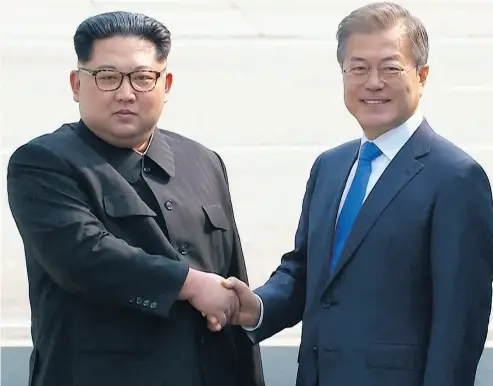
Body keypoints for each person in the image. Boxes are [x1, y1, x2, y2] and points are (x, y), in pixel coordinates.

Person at [210, 2, 493, 386]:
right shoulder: (330, 166)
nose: (373, 82)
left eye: (391, 68)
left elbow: (459, 323)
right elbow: (305, 271)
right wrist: (258, 306)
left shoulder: (456, 178)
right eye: (358, 68)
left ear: (422, 75)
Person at [6, 11, 264, 386]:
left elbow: (231, 280)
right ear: (77, 84)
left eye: (143, 78)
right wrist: (190, 284)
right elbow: (84, 256)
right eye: (108, 77)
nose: (126, 93)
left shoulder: (203, 161)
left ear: (166, 84)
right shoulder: (44, 163)